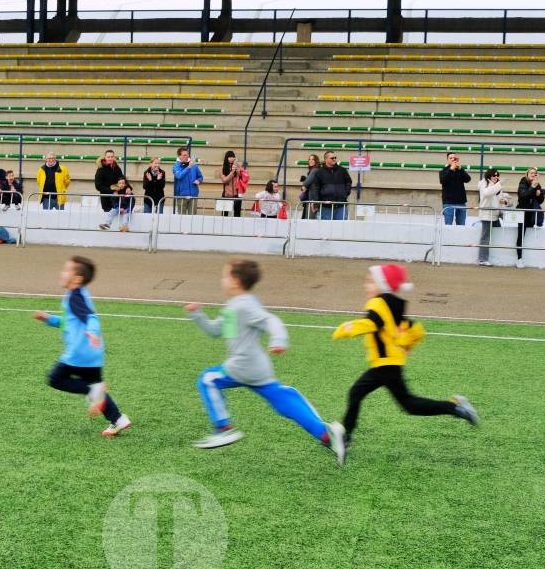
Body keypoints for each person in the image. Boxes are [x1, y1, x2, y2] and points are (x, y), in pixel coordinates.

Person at [184, 259, 345, 464]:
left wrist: (278, 340)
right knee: (283, 400)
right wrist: (197, 315)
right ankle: (326, 434)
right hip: (257, 368)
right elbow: (216, 331)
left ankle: (224, 428)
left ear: (235, 281)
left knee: (208, 379)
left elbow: (272, 320)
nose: (222, 281)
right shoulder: (239, 305)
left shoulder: (242, 307)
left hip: (242, 365)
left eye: (224, 277)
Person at [330, 263, 479, 463]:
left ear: (382, 285)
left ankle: (456, 407)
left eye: (370, 281)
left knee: (409, 404)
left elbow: (371, 324)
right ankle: (346, 436)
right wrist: (405, 346)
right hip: (386, 364)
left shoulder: (378, 304)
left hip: (386, 365)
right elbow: (416, 329)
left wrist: (345, 329)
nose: (366, 285)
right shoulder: (393, 305)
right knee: (357, 393)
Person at [32, 256, 131, 437]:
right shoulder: (78, 295)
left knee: (55, 379)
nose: (62, 273)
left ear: (77, 278)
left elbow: (90, 317)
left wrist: (92, 331)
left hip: (78, 353)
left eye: (66, 270)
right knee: (95, 387)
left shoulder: (75, 297)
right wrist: (49, 319)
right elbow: (69, 323)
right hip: (93, 355)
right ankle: (118, 420)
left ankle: (93, 391)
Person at [515, 167, 545, 268]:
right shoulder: (523, 182)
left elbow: (540, 200)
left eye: (535, 173)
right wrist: (532, 187)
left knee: (531, 232)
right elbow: (523, 197)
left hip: (532, 212)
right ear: (526, 175)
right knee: (521, 235)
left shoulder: (537, 184)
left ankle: (533, 258)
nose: (533, 174)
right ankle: (519, 259)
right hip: (522, 212)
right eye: (531, 173)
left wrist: (539, 195)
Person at [310, 151, 352, 220]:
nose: (334, 159)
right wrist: (315, 202)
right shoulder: (319, 172)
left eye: (335, 157)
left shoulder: (342, 170)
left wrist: (345, 193)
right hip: (325, 207)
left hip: (341, 206)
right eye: (332, 158)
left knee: (341, 229)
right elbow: (315, 188)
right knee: (325, 229)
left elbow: (349, 182)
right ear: (326, 159)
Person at [477, 168, 504, 267]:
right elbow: (487, 193)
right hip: (487, 215)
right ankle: (482, 259)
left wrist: (503, 201)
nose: (496, 177)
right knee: (485, 237)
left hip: (495, 214)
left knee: (499, 234)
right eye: (494, 175)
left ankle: (499, 258)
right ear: (489, 176)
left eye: (497, 175)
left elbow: (498, 197)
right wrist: (498, 185)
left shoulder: (496, 185)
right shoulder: (484, 183)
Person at [439, 152, 471, 226]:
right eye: (451, 158)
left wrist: (461, 169)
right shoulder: (443, 171)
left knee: (461, 225)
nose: (453, 159)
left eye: (454, 158)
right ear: (447, 160)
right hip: (448, 202)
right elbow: (443, 181)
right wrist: (450, 169)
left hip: (461, 202)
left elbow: (468, 179)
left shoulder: (460, 171)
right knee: (448, 225)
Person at [219, 150, 250, 217]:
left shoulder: (238, 166)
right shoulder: (222, 167)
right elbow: (224, 180)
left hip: (237, 194)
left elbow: (244, 177)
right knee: (224, 215)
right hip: (226, 195)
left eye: (233, 157)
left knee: (237, 214)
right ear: (226, 158)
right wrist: (232, 172)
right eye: (229, 157)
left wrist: (238, 171)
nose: (231, 158)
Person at [172, 147, 203, 215]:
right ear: (179, 156)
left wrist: (199, 180)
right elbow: (179, 176)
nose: (187, 156)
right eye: (184, 155)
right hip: (182, 196)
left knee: (192, 217)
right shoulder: (176, 166)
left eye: (187, 154)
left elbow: (200, 177)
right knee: (181, 218)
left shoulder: (194, 165)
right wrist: (188, 167)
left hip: (193, 195)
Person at [94, 149, 125, 214]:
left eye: (112, 157)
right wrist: (112, 190)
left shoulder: (117, 168)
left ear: (114, 157)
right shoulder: (100, 170)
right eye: (108, 157)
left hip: (118, 199)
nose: (110, 158)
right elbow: (98, 186)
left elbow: (123, 180)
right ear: (105, 157)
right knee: (109, 217)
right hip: (106, 200)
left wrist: (128, 188)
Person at [299, 153, 320, 218]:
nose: (310, 161)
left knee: (310, 219)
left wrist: (304, 185)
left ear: (316, 161)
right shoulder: (313, 170)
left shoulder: (315, 170)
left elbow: (306, 184)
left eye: (313, 159)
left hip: (313, 199)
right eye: (309, 159)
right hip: (312, 199)